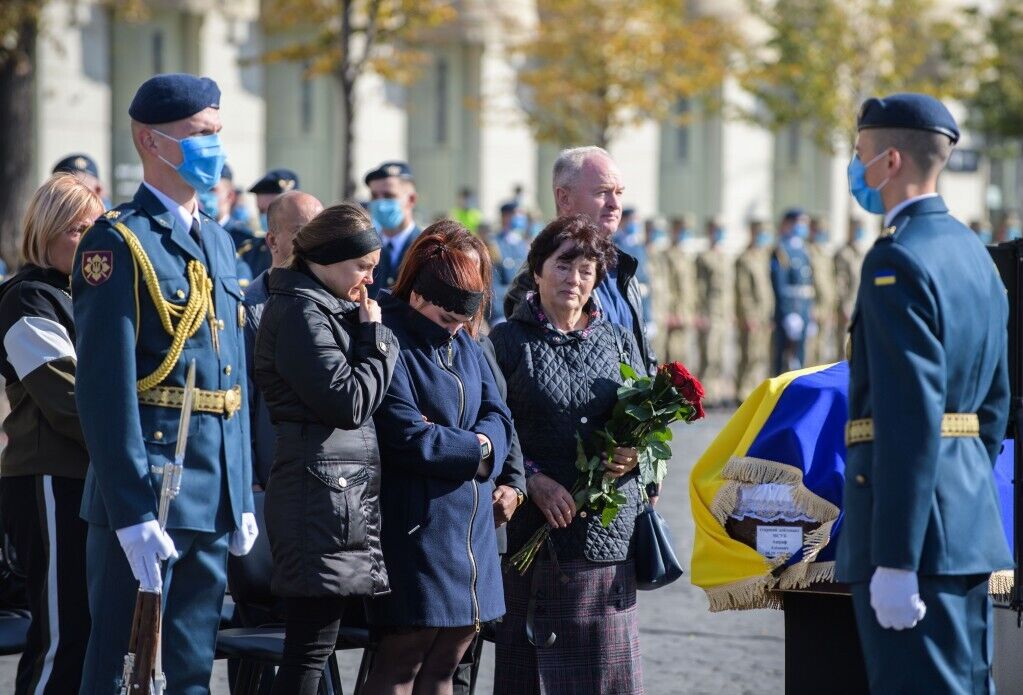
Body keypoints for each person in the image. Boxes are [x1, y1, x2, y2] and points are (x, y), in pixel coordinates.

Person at [72, 73, 257, 693]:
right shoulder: (118, 243)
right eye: (201, 134)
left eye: (217, 133)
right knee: (124, 669)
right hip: (154, 488)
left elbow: (231, 379)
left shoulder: (222, 243)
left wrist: (243, 493)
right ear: (152, 142)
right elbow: (104, 390)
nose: (215, 148)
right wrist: (129, 510)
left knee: (189, 671)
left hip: (211, 494)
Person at [835, 93, 1011, 692]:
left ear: (889, 161)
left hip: (916, 540)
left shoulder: (897, 261)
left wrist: (896, 556)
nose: (856, 170)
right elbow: (994, 405)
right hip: (963, 525)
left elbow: (908, 417)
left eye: (860, 155)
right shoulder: (974, 255)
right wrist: (958, 490)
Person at [490, 214, 646, 694]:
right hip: (534, 533)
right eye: (563, 265)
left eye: (586, 269)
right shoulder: (507, 342)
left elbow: (644, 421)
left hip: (604, 535)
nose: (574, 279)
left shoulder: (618, 340)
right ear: (537, 270)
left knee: (604, 675)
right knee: (531, 671)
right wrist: (531, 479)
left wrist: (634, 452)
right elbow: (495, 425)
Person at [364, 222, 514, 694]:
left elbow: (499, 415)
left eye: (461, 322)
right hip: (418, 529)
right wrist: (478, 447)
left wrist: (479, 444)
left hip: (472, 533)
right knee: (400, 664)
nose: (454, 330)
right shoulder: (389, 337)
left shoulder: (465, 342)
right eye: (446, 319)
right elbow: (410, 438)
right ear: (418, 293)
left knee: (445, 668)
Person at [254, 202, 397, 694]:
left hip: (332, 494)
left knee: (317, 647)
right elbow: (348, 402)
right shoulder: (299, 311)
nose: (368, 280)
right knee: (308, 650)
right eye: (363, 266)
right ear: (329, 258)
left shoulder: (321, 306)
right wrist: (376, 341)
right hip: (316, 496)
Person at [0, 173, 102, 694]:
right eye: (75, 228)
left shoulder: (87, 295)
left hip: (87, 477)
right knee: (62, 636)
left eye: (95, 227)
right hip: (49, 479)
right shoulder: (28, 298)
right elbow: (67, 402)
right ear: (45, 229)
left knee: (90, 635)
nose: (87, 240)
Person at [504, 147, 656, 374]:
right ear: (564, 198)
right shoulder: (539, 276)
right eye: (603, 192)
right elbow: (533, 369)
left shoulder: (622, 269)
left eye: (619, 193)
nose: (615, 204)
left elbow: (642, 356)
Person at [243, 190, 324, 491]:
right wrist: (249, 479)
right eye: (301, 232)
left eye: (319, 232)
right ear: (272, 241)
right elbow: (241, 403)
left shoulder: (337, 306)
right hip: (271, 481)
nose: (313, 243)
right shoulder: (249, 309)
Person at [365, 161, 421, 299]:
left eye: (389, 196)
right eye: (374, 196)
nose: (380, 203)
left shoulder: (427, 248)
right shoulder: (365, 248)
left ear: (411, 200)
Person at [770, 208, 814, 375]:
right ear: (788, 223)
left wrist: (809, 312)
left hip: (802, 309)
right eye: (799, 223)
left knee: (800, 357)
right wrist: (789, 313)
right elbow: (780, 286)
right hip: (789, 311)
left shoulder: (803, 250)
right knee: (782, 358)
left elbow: (808, 286)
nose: (802, 227)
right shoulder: (782, 250)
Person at [734, 219, 773, 401]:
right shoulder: (745, 258)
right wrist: (748, 315)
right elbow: (743, 291)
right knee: (748, 354)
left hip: (765, 314)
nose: (764, 236)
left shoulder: (764, 256)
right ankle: (743, 391)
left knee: (760, 354)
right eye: (760, 232)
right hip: (752, 315)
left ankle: (755, 387)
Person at [695, 217, 732, 405]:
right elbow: (699, 288)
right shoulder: (704, 257)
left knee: (719, 355)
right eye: (716, 229)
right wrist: (700, 313)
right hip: (709, 311)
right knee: (708, 355)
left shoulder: (725, 257)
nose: (719, 233)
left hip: (723, 313)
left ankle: (717, 392)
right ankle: (705, 392)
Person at [240, 168, 300, 279]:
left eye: (271, 211)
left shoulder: (311, 251)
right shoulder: (251, 251)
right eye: (261, 211)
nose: (265, 217)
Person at [663, 215, 697, 363]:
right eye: (682, 230)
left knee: (683, 356)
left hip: (685, 313)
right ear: (674, 230)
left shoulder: (685, 256)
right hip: (674, 314)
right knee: (672, 355)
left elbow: (690, 287)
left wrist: (692, 311)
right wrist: (671, 311)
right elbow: (667, 286)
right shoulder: (667, 255)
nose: (685, 234)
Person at [489, 201, 529, 325]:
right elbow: (492, 286)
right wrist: (500, 315)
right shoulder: (494, 245)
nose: (520, 218)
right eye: (517, 214)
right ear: (506, 216)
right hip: (502, 313)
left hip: (524, 312)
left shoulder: (524, 244)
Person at [805, 217, 837, 366]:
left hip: (826, 307)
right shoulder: (806, 252)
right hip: (813, 307)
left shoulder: (825, 254)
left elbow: (831, 282)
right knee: (810, 347)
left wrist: (831, 307)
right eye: (820, 231)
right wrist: (810, 306)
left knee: (822, 347)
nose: (822, 234)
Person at [833, 217, 865, 356]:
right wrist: (844, 305)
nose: (859, 232)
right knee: (844, 346)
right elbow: (840, 281)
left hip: (860, 305)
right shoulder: (843, 253)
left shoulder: (861, 252)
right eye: (856, 229)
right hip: (847, 304)